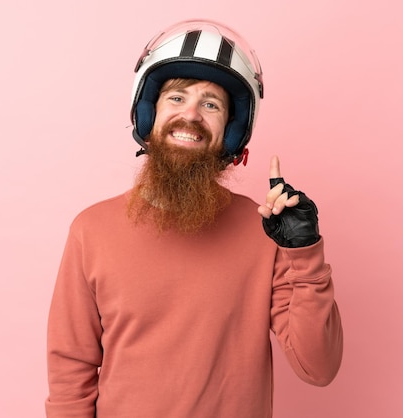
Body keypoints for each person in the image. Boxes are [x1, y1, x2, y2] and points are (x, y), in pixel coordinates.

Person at [45, 19, 343, 418]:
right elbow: (70, 370)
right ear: (147, 114)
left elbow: (318, 367)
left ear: (232, 133)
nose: (191, 115)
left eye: (211, 104)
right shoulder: (91, 230)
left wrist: (305, 253)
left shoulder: (263, 229)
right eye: (176, 98)